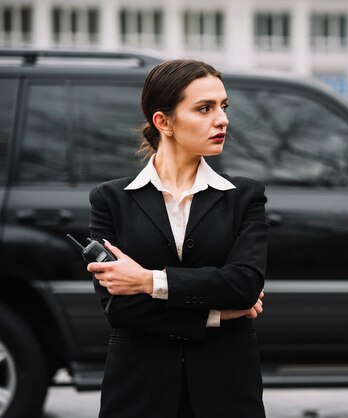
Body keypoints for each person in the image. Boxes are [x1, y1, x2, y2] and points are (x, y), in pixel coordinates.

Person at [86, 59, 268, 418]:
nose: (222, 119)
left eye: (223, 106)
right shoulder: (110, 199)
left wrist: (148, 281)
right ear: (163, 122)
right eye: (205, 108)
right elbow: (118, 308)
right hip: (139, 392)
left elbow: (245, 285)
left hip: (227, 391)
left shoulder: (244, 196)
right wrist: (215, 315)